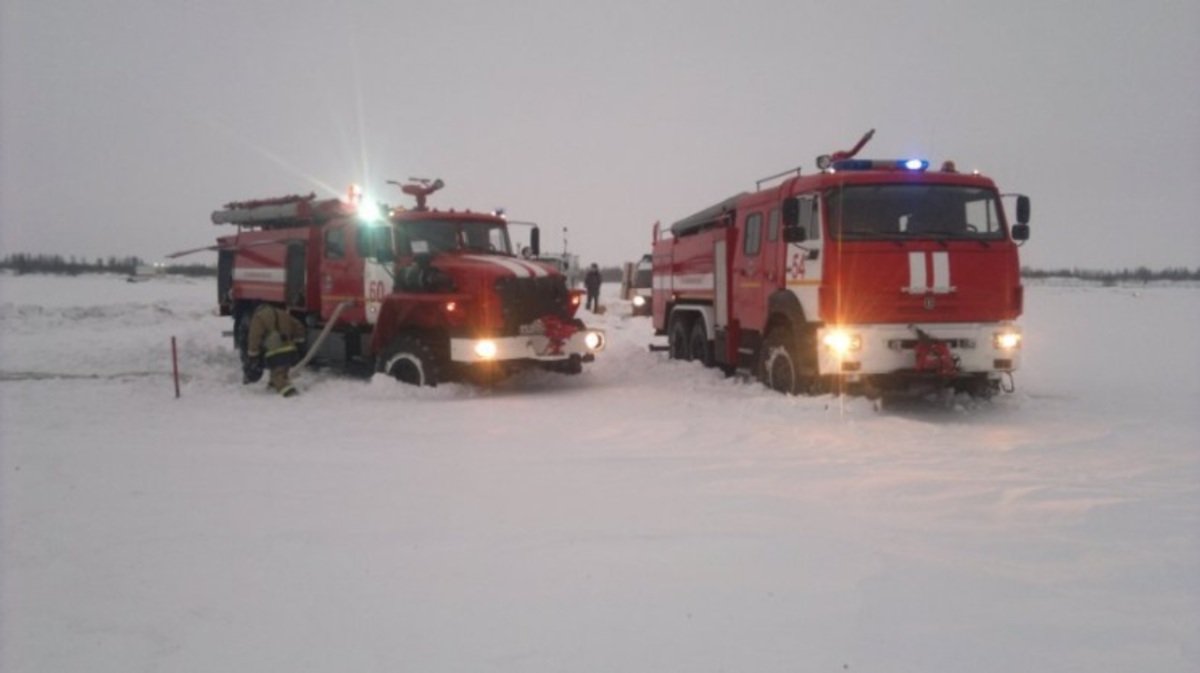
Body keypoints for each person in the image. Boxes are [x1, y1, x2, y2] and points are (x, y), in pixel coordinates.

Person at [244, 303, 306, 397]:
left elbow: (254, 337)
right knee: (282, 371)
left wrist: (253, 354)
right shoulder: (282, 313)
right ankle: (272, 386)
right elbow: (298, 326)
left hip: (275, 352)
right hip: (290, 349)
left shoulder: (258, 317)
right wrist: (298, 340)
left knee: (277, 376)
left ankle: (290, 393)